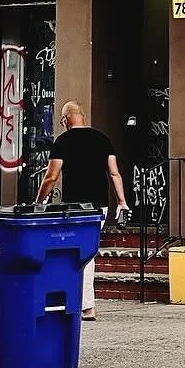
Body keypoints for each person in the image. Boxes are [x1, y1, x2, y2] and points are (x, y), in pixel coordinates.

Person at [36, 102, 130, 321]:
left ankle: (80, 304)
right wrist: (122, 203)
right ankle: (85, 306)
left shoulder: (63, 141)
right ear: (83, 117)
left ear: (65, 119)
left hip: (74, 208)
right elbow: (114, 174)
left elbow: (51, 176)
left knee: (73, 253)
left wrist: (39, 201)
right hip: (99, 206)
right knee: (88, 253)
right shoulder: (102, 139)